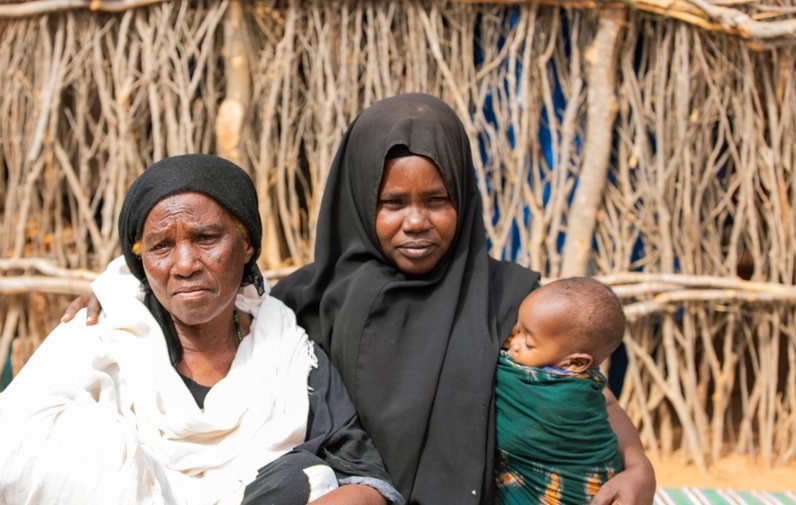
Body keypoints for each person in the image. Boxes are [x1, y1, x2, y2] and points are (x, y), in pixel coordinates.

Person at [63, 93, 656, 504]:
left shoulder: (507, 300)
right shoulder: (303, 298)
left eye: (438, 200)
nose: (417, 222)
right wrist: (113, 295)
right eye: (393, 203)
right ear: (357, 199)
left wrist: (641, 469)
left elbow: (585, 395)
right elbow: (193, 288)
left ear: (466, 201)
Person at [0, 154, 402, 505]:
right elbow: (18, 452)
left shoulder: (285, 350)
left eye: (206, 238)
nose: (184, 265)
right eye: (161, 246)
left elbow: (363, 477)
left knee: (305, 476)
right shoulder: (99, 337)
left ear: (247, 244)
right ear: (140, 262)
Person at [496, 276, 626, 504]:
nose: (514, 343)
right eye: (517, 331)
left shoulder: (545, 391)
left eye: (529, 343)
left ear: (575, 364)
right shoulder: (591, 379)